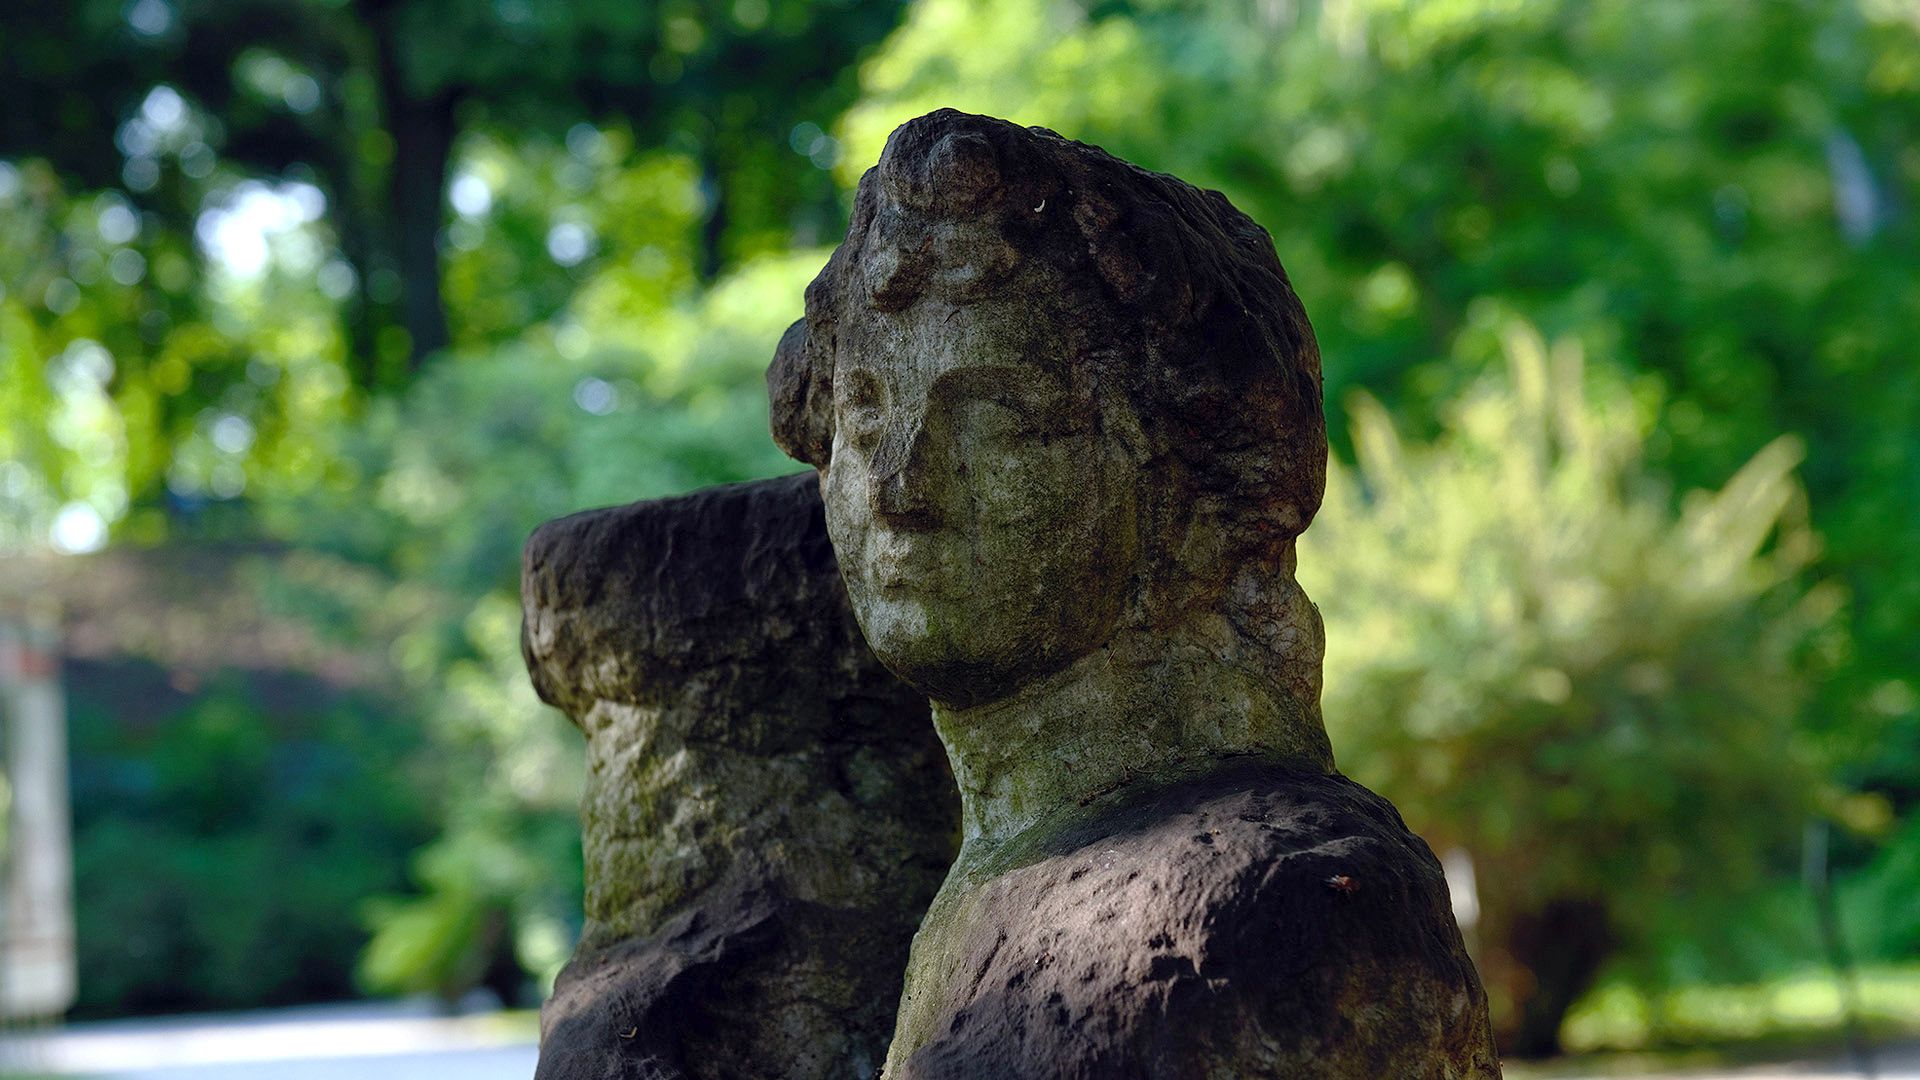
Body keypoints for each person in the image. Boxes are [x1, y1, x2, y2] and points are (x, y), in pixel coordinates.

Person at [770, 109, 1500, 1078]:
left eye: (995, 420)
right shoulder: (987, 881)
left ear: (1182, 486)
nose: (903, 489)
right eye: (867, 415)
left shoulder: (1271, 912)